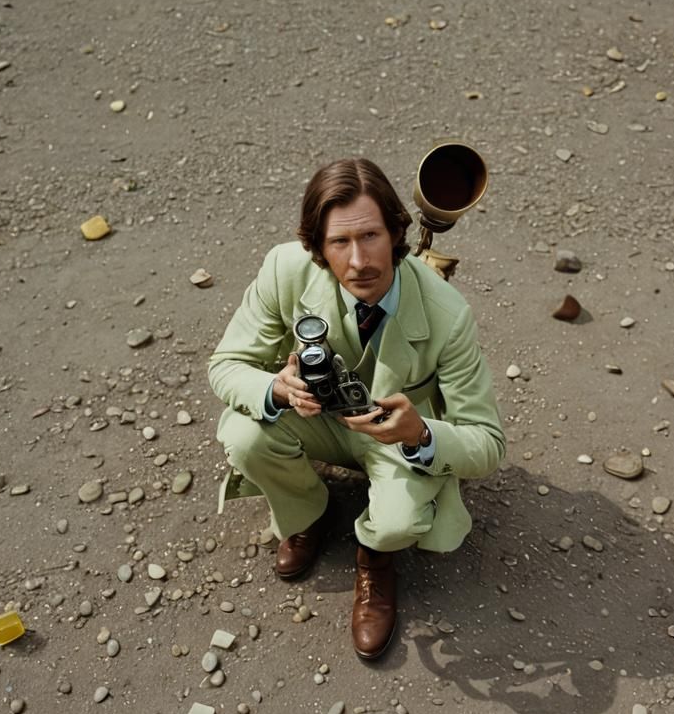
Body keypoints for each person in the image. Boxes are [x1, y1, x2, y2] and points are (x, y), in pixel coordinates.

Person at [208, 157, 505, 660]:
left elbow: (488, 442)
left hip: (396, 441)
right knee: (243, 436)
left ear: (395, 232)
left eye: (370, 237)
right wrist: (279, 389)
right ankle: (309, 513)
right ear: (317, 249)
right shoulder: (285, 270)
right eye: (339, 243)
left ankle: (375, 558)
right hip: (314, 420)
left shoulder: (448, 316)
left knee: (397, 524)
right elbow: (225, 364)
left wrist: (421, 435)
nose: (359, 262)